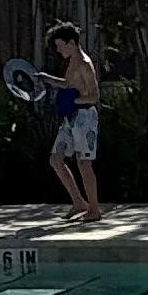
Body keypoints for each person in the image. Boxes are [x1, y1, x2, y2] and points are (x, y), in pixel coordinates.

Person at [44, 22, 103, 223]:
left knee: (84, 163)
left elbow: (94, 96)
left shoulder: (85, 65)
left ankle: (94, 209)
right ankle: (79, 202)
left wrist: (73, 100)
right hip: (71, 118)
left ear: (71, 43)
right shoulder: (72, 62)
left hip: (85, 117)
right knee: (56, 159)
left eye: (61, 45)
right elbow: (69, 84)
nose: (58, 50)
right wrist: (48, 79)